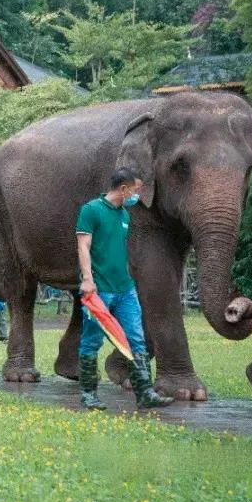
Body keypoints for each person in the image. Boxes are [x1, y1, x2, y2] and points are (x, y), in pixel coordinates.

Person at [76, 168, 174, 410]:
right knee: (92, 340)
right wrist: (88, 279)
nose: (137, 195)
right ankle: (88, 394)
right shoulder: (91, 210)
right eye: (135, 190)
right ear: (123, 189)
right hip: (99, 290)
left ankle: (145, 393)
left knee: (136, 338)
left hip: (125, 289)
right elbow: (83, 246)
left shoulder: (124, 216)